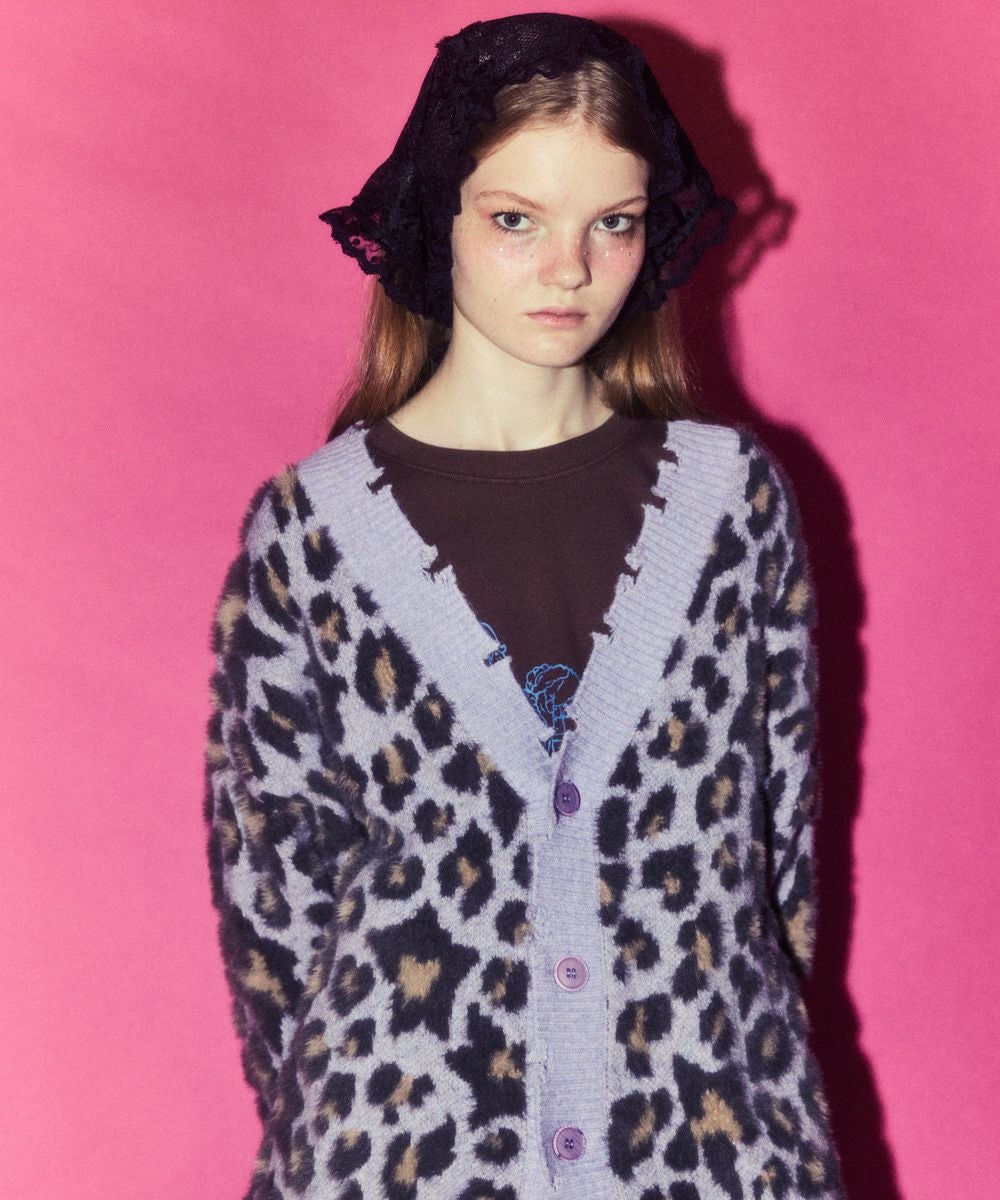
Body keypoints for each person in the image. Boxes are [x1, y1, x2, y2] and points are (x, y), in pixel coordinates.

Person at [203, 13, 847, 1200]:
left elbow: (777, 874)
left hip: (708, 1151)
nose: (569, 269)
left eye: (613, 222)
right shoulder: (308, 532)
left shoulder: (732, 504)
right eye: (516, 220)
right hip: (396, 1158)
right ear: (435, 217)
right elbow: (274, 913)